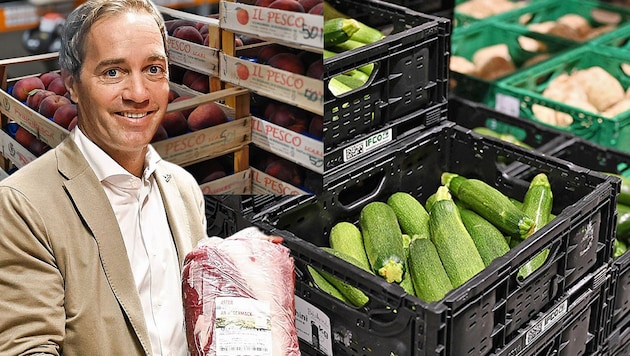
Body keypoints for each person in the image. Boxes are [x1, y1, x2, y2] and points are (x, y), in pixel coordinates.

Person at [0, 0, 208, 355]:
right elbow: (27, 347)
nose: (139, 94)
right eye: (113, 72)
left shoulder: (183, 189)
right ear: (73, 86)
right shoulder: (23, 204)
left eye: (154, 69)